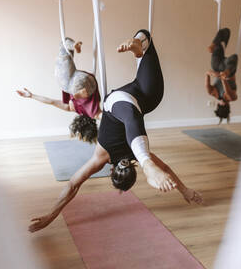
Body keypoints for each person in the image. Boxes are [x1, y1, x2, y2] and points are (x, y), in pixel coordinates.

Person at [28, 30, 203, 233]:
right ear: (111, 170)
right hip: (134, 100)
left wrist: (185, 190)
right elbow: (73, 185)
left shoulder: (125, 155)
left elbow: (167, 169)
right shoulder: (101, 157)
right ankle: (138, 50)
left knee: (132, 117)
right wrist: (51, 215)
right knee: (144, 41)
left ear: (132, 168)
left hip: (133, 102)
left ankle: (147, 164)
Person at [17, 38, 101, 143]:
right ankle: (78, 94)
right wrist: (31, 96)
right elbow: (51, 102)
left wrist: (31, 95)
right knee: (63, 49)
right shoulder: (74, 109)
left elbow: (51, 102)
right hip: (75, 85)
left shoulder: (92, 113)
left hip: (85, 81)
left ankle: (73, 46)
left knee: (64, 45)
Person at [205, 28, 238, 123]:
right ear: (219, 105)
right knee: (234, 59)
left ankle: (214, 45)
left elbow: (206, 75)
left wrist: (210, 73)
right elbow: (227, 90)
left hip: (217, 66)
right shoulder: (232, 97)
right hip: (228, 68)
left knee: (226, 32)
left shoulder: (213, 93)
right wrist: (223, 76)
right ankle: (226, 71)